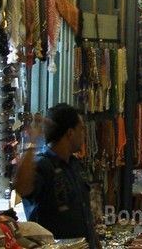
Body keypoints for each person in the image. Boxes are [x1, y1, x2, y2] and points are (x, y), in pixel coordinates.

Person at [14, 103, 97, 248]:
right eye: (81, 129)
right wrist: (32, 142)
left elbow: (85, 215)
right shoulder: (43, 166)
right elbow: (22, 188)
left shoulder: (74, 165)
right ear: (70, 133)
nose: (84, 134)